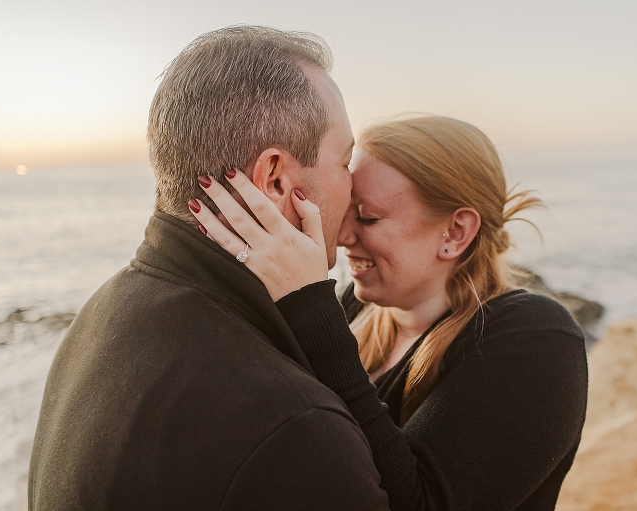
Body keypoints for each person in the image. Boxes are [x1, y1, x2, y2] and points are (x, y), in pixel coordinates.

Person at [28, 26, 389, 510]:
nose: (353, 190)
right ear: (277, 179)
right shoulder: (295, 429)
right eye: (344, 162)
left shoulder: (103, 315)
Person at [190, 116, 589, 510]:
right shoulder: (350, 308)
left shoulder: (537, 340)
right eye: (345, 210)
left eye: (368, 216)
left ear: (455, 232)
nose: (343, 236)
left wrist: (309, 307)